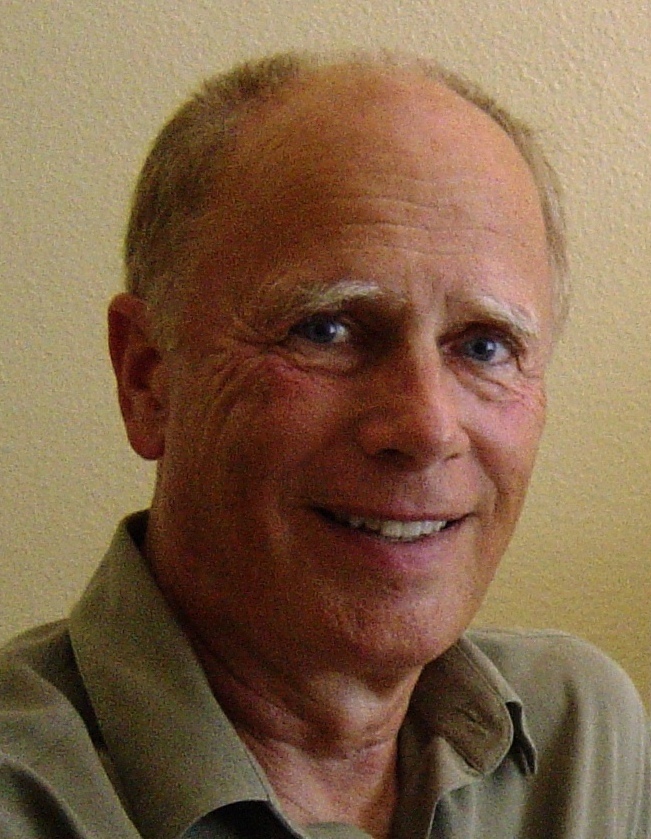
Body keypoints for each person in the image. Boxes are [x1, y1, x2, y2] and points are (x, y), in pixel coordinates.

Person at [0, 50, 648, 839]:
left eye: (483, 346)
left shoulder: (579, 739)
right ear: (148, 378)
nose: (426, 427)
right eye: (326, 329)